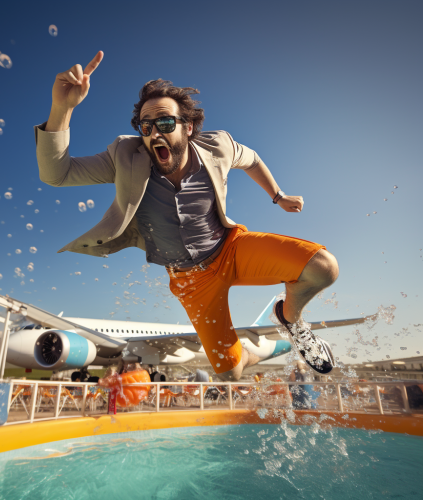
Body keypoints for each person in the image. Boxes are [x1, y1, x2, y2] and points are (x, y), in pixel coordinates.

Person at [34, 51, 339, 381]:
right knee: (231, 373)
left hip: (231, 250)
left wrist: (278, 195)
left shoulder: (218, 146)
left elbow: (251, 160)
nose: (154, 134)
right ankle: (248, 355)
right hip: (190, 280)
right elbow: (57, 174)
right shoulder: (125, 155)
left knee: (323, 268)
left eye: (165, 123)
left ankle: (291, 319)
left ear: (188, 127)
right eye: (146, 126)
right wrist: (62, 109)